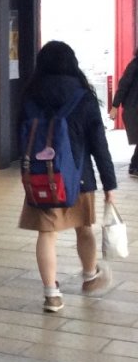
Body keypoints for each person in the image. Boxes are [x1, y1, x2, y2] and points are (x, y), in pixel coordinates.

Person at [18, 40, 114, 313]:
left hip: (40, 178)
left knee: (46, 234)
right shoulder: (83, 96)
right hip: (78, 176)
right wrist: (110, 184)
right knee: (84, 228)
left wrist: (28, 170)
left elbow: (20, 138)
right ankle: (90, 277)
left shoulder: (29, 95)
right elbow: (99, 144)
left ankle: (51, 294)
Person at [108, 47, 138, 177]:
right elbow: (123, 85)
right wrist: (115, 106)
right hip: (133, 109)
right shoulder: (134, 65)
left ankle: (134, 167)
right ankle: (134, 167)